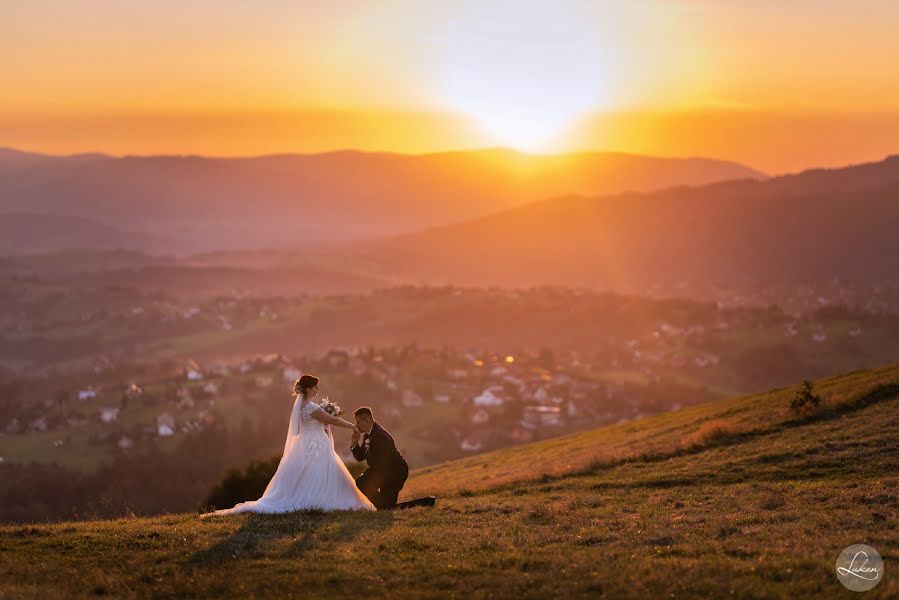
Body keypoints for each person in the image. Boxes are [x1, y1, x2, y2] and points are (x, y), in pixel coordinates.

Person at [202, 375, 374, 516]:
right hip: (315, 444)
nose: (317, 390)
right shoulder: (310, 407)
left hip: (307, 442)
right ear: (307, 389)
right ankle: (318, 500)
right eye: (315, 387)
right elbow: (331, 419)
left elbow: (323, 420)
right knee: (319, 471)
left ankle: (317, 499)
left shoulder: (303, 406)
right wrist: (353, 426)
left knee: (312, 472)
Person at [351, 407, 409, 509]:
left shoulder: (381, 436)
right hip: (384, 471)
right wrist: (355, 443)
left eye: (358, 422)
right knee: (387, 504)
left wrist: (367, 476)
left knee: (362, 482)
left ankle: (385, 508)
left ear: (367, 420)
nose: (357, 425)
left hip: (395, 472)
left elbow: (382, 463)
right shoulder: (368, 435)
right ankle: (385, 508)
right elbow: (360, 457)